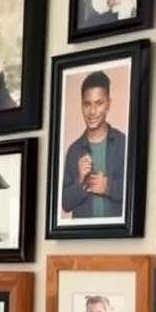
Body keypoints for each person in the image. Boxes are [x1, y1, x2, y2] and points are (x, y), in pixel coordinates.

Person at [60, 70, 127, 221]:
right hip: (84, 240)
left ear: (108, 104)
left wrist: (108, 187)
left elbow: (139, 193)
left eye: (99, 103)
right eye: (87, 104)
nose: (92, 111)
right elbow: (65, 203)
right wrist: (79, 182)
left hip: (119, 239)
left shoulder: (123, 143)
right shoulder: (74, 150)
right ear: (81, 105)